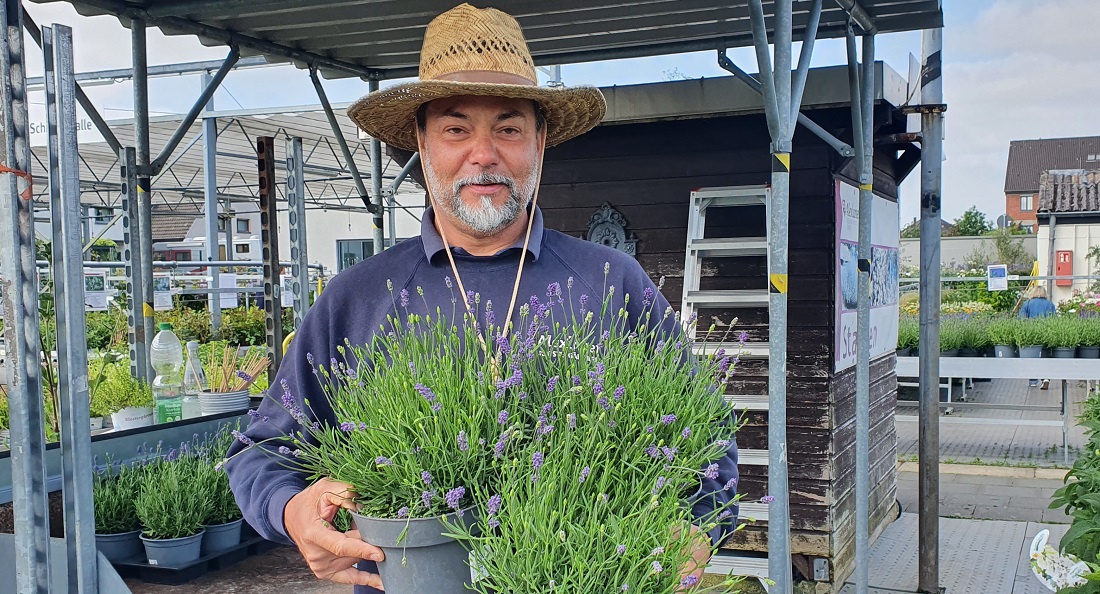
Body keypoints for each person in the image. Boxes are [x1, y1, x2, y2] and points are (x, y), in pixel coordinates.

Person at [224, 4, 740, 593]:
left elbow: (708, 449)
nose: (484, 152)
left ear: (540, 141)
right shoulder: (356, 296)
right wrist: (295, 513)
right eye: (455, 128)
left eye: (509, 127)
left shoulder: (613, 281)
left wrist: (690, 535)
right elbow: (261, 450)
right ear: (421, 142)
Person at [1019, 285, 1056, 388]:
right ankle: (1045, 378)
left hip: (1031, 334)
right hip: (1046, 333)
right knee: (1045, 356)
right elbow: (1054, 321)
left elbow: (1021, 319)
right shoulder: (1050, 304)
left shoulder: (1027, 304)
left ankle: (1033, 381)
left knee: (1032, 358)